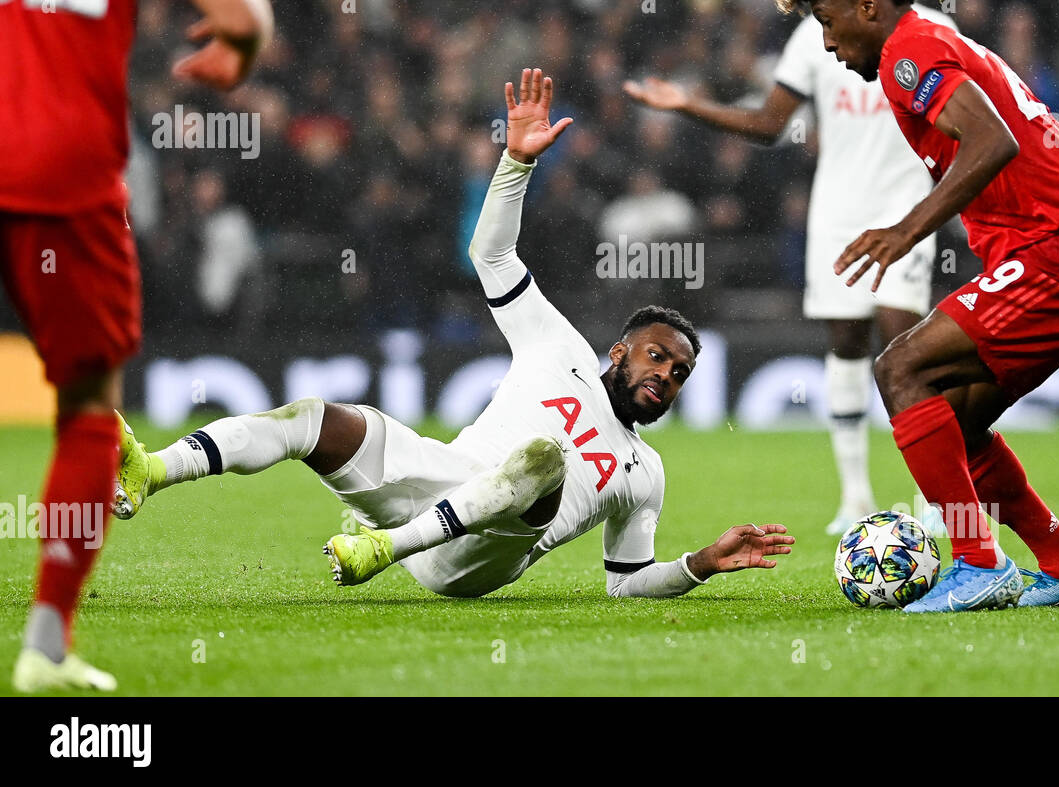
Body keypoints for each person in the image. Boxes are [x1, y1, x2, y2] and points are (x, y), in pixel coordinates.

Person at [114, 69, 794, 600]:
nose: (666, 375)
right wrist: (517, 164)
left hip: (479, 559)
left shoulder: (644, 473)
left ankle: (384, 548)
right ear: (618, 351)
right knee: (312, 419)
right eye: (658, 356)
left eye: (679, 373)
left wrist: (698, 563)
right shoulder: (557, 347)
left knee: (542, 462)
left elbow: (626, 582)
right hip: (437, 480)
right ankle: (150, 469)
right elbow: (492, 257)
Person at [775, 0, 1059, 612]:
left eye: (828, 19)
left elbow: (991, 140)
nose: (825, 42)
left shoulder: (910, 55)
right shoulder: (934, 40)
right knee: (954, 415)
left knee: (900, 367)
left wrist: (903, 231)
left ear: (868, 5)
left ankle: (978, 561)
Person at [2, 0, 273, 692]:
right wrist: (239, 55)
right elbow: (240, 15)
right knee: (88, 407)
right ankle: (46, 644)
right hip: (61, 167)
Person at [625, 0, 955, 537]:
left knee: (905, 349)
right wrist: (688, 104)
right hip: (837, 217)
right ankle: (856, 498)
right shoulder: (814, 33)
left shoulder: (936, 29)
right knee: (846, 344)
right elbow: (769, 122)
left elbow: (965, 115)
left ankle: (933, 497)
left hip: (907, 213)